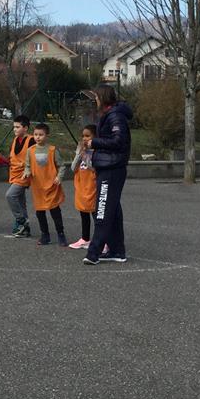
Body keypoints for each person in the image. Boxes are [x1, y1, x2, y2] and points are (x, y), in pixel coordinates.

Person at [83, 85, 132, 265]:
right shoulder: (110, 115)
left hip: (113, 168)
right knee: (113, 210)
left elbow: (119, 141)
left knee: (102, 209)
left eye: (96, 97)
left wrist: (93, 142)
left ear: (102, 98)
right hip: (108, 166)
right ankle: (117, 251)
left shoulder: (115, 116)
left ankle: (93, 253)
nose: (94, 100)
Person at [23, 123, 68, 246]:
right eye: (36, 134)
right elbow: (27, 165)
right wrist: (27, 173)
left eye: (41, 135)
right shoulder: (30, 151)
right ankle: (45, 235)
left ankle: (61, 234)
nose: (38, 137)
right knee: (40, 212)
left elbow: (62, 165)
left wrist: (59, 177)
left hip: (51, 186)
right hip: (38, 187)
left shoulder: (52, 150)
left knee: (55, 211)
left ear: (47, 135)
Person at [69, 124, 98, 250]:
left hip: (93, 187)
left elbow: (94, 167)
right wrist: (78, 153)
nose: (85, 138)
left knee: (96, 215)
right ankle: (85, 238)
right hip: (81, 187)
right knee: (83, 213)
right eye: (83, 136)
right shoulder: (81, 151)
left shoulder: (98, 152)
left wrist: (85, 155)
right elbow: (73, 168)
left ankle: (101, 241)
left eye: (88, 136)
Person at [6, 115, 35, 237]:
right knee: (21, 201)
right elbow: (13, 157)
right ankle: (25, 229)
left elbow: (34, 158)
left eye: (18, 127)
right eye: (14, 127)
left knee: (10, 195)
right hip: (14, 174)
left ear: (25, 128)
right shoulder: (14, 140)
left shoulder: (31, 140)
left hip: (24, 175)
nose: (15, 129)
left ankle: (21, 220)